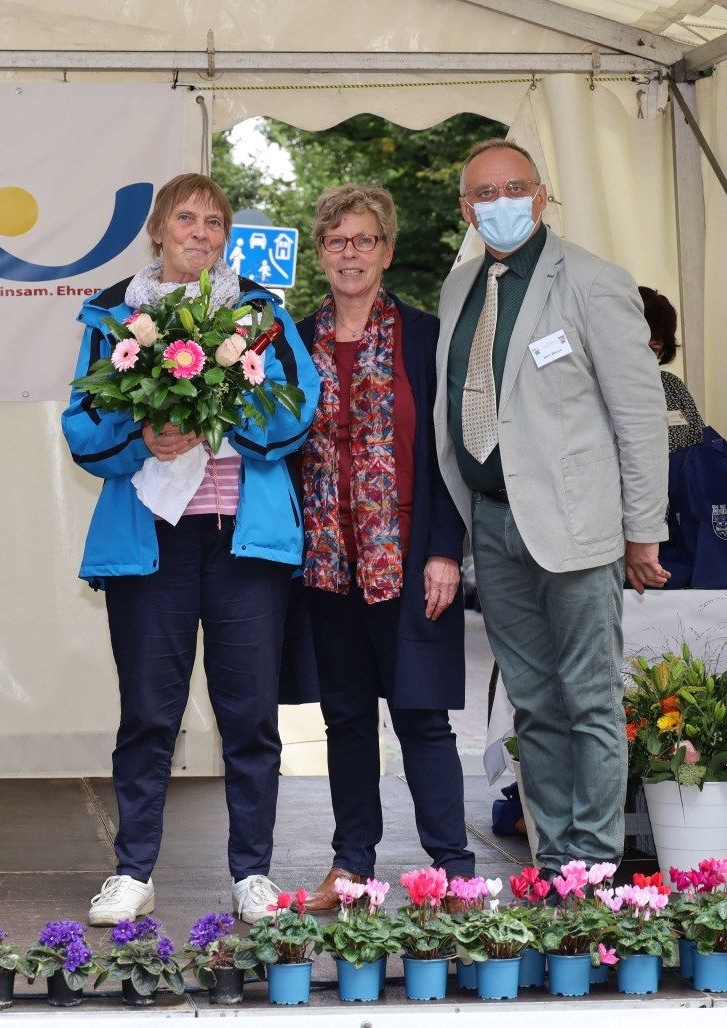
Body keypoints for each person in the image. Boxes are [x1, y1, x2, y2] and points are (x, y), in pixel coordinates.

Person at [61, 173, 320, 925]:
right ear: (157, 230)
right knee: (148, 714)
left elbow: (300, 406)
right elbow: (81, 428)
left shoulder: (261, 315)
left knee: (249, 718)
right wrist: (142, 433)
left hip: (243, 542)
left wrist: (222, 420)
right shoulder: (114, 317)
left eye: (214, 221)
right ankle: (133, 872)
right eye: (186, 218)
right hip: (153, 544)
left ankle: (253, 874)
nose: (200, 233)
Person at [434, 139, 667, 871]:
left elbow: (639, 416)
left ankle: (595, 867)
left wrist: (644, 533)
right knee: (531, 705)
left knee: (590, 702)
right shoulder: (459, 285)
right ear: (466, 208)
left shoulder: (595, 282)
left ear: (541, 195)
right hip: (494, 524)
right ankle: (555, 858)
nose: (498, 204)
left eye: (513, 189)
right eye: (482, 195)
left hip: (578, 527)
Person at [287, 185, 475, 911]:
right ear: (321, 252)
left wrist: (443, 549)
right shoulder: (291, 342)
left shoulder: (426, 338)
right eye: (337, 240)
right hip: (325, 561)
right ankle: (350, 866)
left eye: (364, 240)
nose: (350, 253)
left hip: (409, 555)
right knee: (346, 718)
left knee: (423, 715)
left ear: (387, 250)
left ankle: (453, 870)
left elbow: (447, 453)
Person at [639, 285, 704, 451]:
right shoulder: (599, 388)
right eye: (637, 346)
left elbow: (699, 441)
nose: (642, 357)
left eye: (653, 349)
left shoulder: (671, 385)